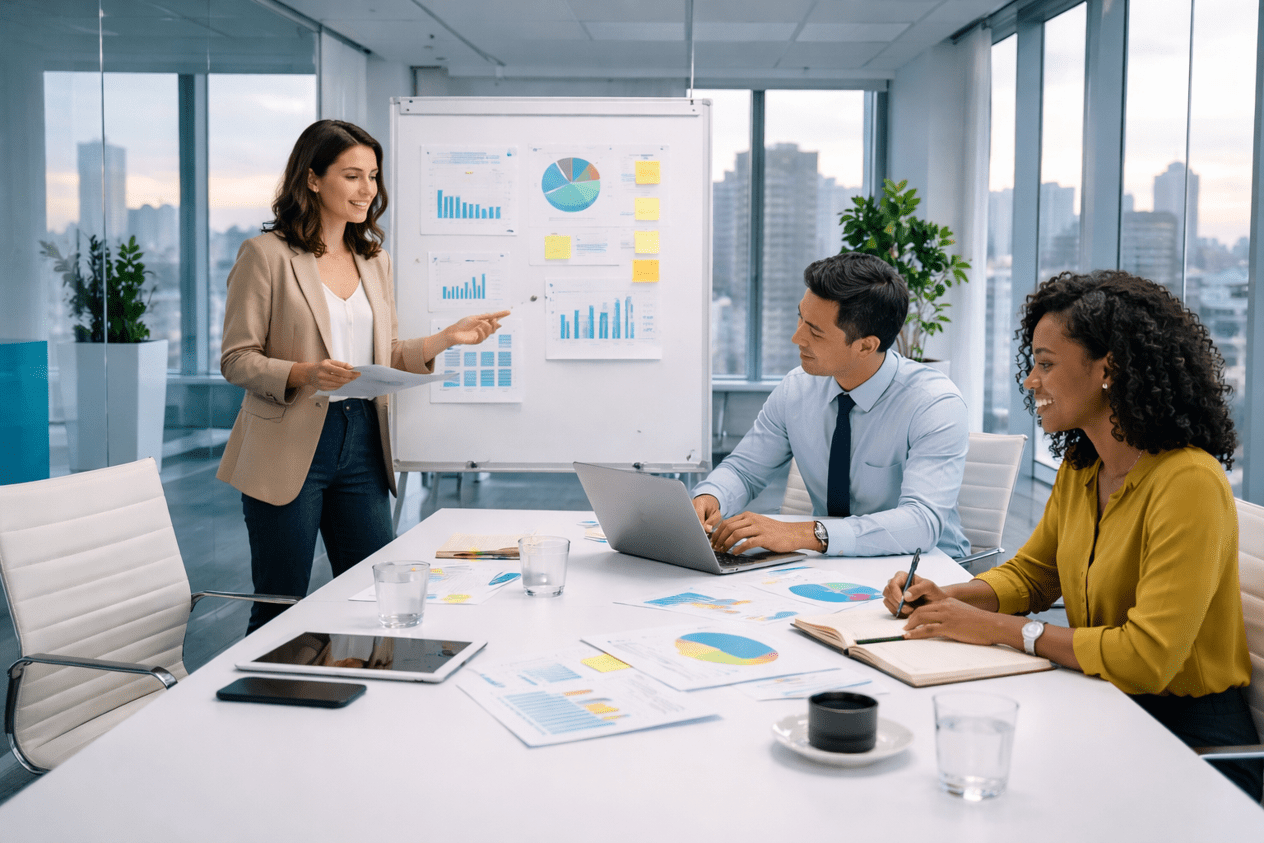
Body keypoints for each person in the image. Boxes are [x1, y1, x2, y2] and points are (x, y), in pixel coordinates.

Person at [884, 269, 1261, 800]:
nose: (1030, 381)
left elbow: (1147, 658)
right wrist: (949, 596)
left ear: (1109, 370)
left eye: (1046, 364)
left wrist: (998, 629)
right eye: (1032, 363)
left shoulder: (1188, 482)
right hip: (1108, 706)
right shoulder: (1085, 467)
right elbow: (1034, 576)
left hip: (1194, 748)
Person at [218, 119, 508, 632]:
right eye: (352, 176)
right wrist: (306, 372)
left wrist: (445, 338)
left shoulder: (373, 260)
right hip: (288, 443)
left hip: (361, 442)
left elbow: (386, 353)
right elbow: (237, 359)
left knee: (374, 592)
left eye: (373, 176)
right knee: (280, 601)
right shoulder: (265, 256)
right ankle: (267, 700)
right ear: (312, 179)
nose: (368, 190)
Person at [692, 252, 969, 558]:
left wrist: (805, 533)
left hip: (928, 574)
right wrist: (711, 496)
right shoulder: (796, 389)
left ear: (866, 345)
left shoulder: (933, 404)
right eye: (801, 318)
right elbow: (744, 471)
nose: (796, 338)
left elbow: (921, 522)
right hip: (830, 568)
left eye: (815, 331)